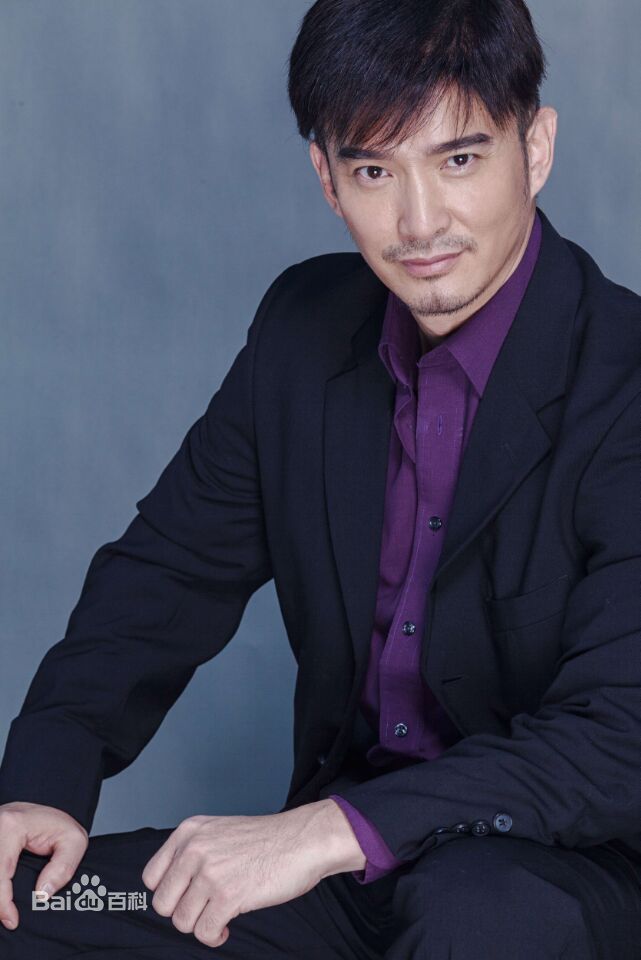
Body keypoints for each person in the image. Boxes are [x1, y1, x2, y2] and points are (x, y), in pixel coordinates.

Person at [1, 0, 640, 956]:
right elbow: (164, 576)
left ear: (535, 148)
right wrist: (42, 783)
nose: (419, 221)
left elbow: (619, 736)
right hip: (332, 874)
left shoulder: (624, 380)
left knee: (481, 921)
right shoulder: (302, 332)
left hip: (554, 870)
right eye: (374, 170)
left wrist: (330, 831)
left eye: (459, 160)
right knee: (29, 907)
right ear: (326, 179)